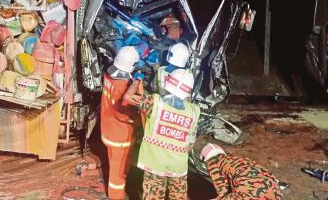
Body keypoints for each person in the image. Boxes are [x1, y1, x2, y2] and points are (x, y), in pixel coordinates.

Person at [137, 68, 201, 200]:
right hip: (178, 165)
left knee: (153, 196)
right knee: (178, 196)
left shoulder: (154, 102)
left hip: (154, 163)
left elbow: (128, 98)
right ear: (188, 90)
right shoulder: (195, 111)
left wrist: (137, 80)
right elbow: (191, 141)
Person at [101, 46, 142, 200]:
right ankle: (116, 196)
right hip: (120, 136)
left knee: (113, 162)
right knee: (118, 171)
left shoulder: (109, 75)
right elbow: (122, 113)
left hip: (107, 129)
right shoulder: (122, 85)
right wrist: (135, 121)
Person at [200, 143, 282, 200]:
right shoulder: (237, 159)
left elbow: (222, 190)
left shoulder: (213, 163)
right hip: (273, 186)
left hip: (249, 188)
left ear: (205, 159)